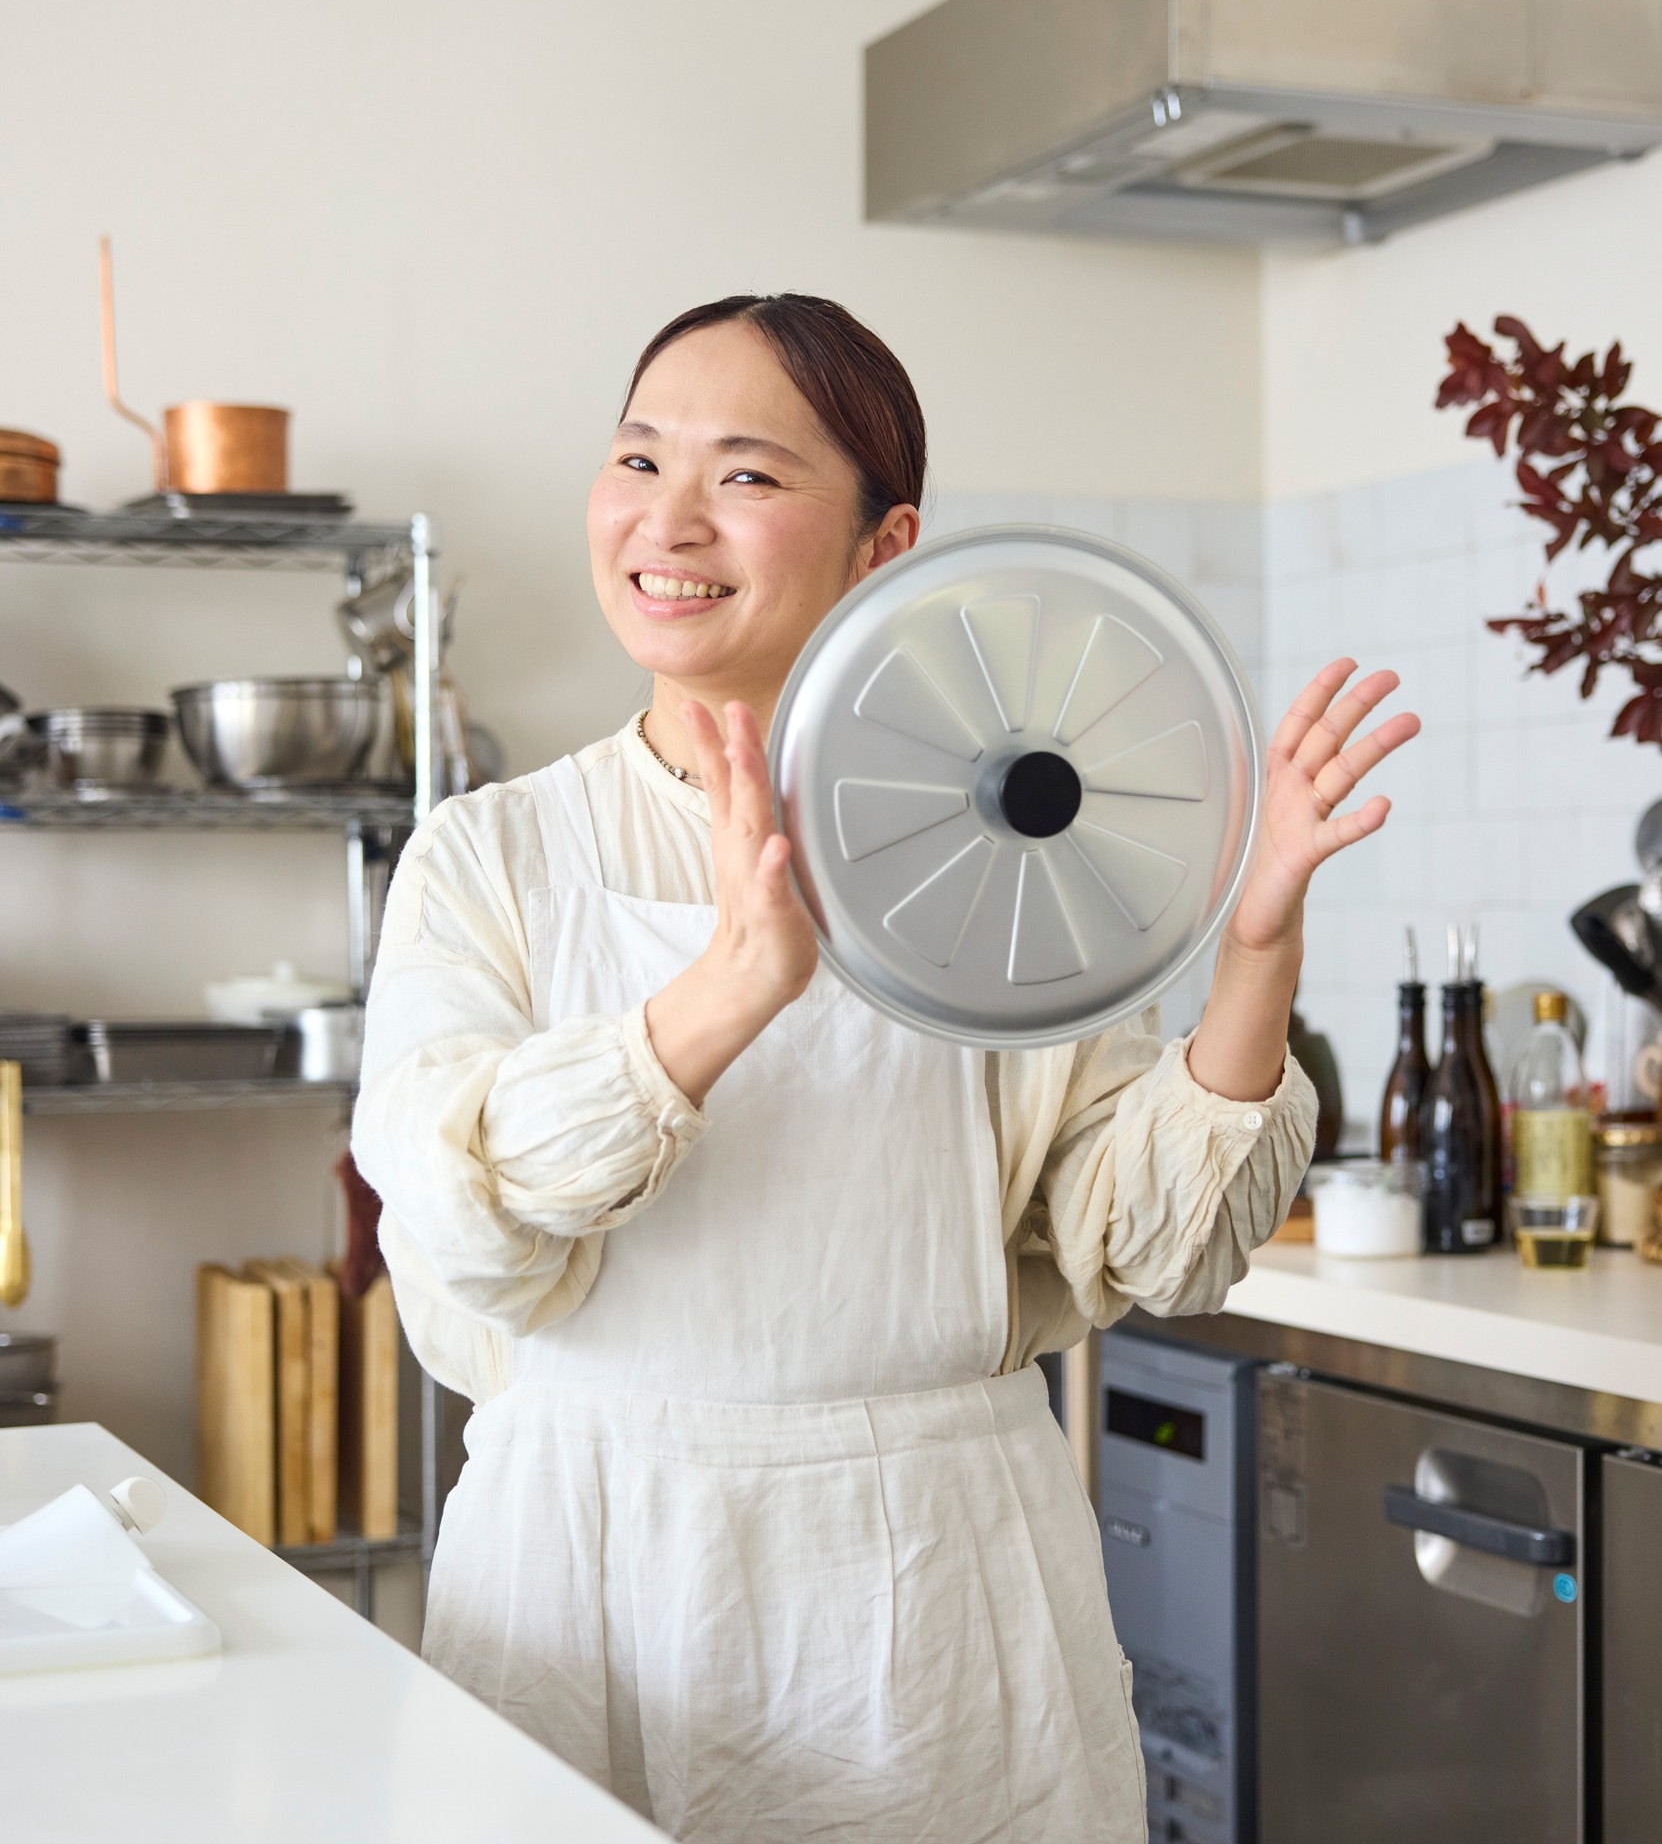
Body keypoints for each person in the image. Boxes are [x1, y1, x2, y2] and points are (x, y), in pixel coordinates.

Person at [353, 293, 1418, 1843]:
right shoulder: (494, 853)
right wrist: (733, 986)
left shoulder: (1001, 842)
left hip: (931, 1595)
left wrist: (1253, 947)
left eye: (745, 475)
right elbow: (462, 1224)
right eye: (638, 459)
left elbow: (1154, 1244)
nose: (668, 520)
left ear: (886, 544)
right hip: (588, 1571)